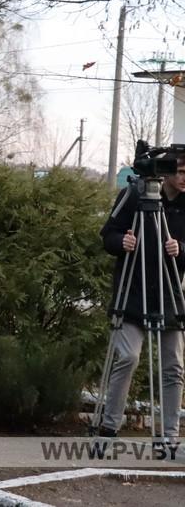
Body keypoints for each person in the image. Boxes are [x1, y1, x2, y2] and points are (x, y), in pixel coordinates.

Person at [96, 159, 185, 439]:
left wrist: (181, 248)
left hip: (170, 295)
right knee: (128, 357)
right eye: (181, 171)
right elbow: (108, 235)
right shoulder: (135, 194)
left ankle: (169, 437)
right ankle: (109, 427)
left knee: (174, 367)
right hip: (133, 292)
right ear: (166, 172)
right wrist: (121, 241)